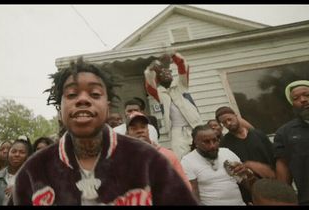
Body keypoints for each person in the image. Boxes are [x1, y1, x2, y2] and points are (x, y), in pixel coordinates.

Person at [12, 57, 197, 205]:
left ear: (107, 108)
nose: (83, 100)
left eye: (95, 94)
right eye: (71, 94)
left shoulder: (148, 160)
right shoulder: (33, 171)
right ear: (60, 110)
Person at [144, 52, 203, 160]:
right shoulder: (159, 93)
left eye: (169, 72)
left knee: (203, 153)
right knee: (182, 158)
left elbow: (183, 67)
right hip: (176, 131)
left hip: (195, 126)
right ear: (158, 79)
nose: (166, 74)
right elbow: (149, 80)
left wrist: (173, 55)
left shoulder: (181, 85)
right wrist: (152, 68)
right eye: (162, 73)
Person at [180, 125, 256, 205]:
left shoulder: (227, 153)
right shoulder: (188, 161)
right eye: (206, 142)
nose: (212, 146)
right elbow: (194, 196)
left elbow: (249, 185)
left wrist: (248, 174)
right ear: (196, 142)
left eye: (215, 140)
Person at [215, 106, 276, 204]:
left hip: (272, 184)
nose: (228, 124)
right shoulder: (225, 144)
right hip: (251, 192)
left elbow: (274, 157)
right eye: (224, 123)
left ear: (236, 116)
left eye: (229, 119)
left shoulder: (258, 135)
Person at [125, 111, 191, 191]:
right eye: (134, 128)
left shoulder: (167, 155)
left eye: (143, 127)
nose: (140, 131)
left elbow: (185, 187)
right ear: (127, 133)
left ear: (148, 130)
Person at [273, 80, 309, 205]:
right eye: (296, 98)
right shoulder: (284, 133)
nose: (303, 100)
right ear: (292, 104)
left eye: (307, 95)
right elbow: (283, 169)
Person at [0, 139, 33, 205]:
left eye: (22, 152)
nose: (17, 154)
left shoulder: (33, 180)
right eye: (13, 151)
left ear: (27, 156)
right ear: (8, 155)